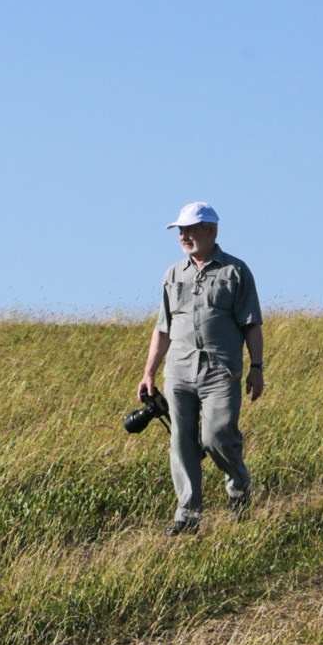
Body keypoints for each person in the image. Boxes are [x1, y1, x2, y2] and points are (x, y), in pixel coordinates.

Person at [137, 202, 264, 534]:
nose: (184, 236)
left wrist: (256, 367)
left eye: (190, 229)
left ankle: (238, 489)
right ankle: (187, 515)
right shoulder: (172, 274)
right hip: (178, 372)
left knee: (217, 436)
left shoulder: (235, 271)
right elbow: (162, 327)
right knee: (181, 440)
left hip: (220, 370)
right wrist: (149, 372)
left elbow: (251, 324)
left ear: (212, 230)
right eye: (181, 230)